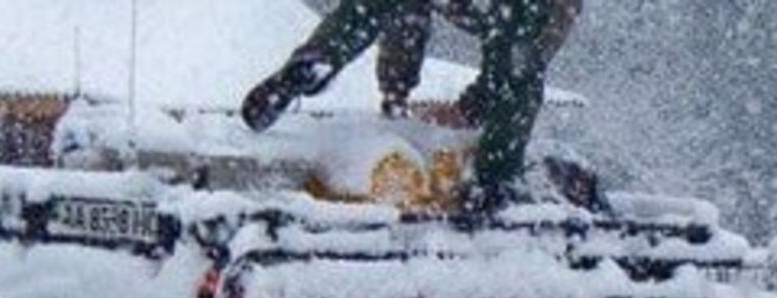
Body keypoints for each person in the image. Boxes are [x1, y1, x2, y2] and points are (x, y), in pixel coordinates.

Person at [241, 0, 582, 211]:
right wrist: (476, 119)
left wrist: (396, 92)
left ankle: (322, 56)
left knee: (377, 7)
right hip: (512, 11)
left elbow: (411, 20)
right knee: (518, 66)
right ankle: (494, 181)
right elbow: (514, 79)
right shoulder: (549, 14)